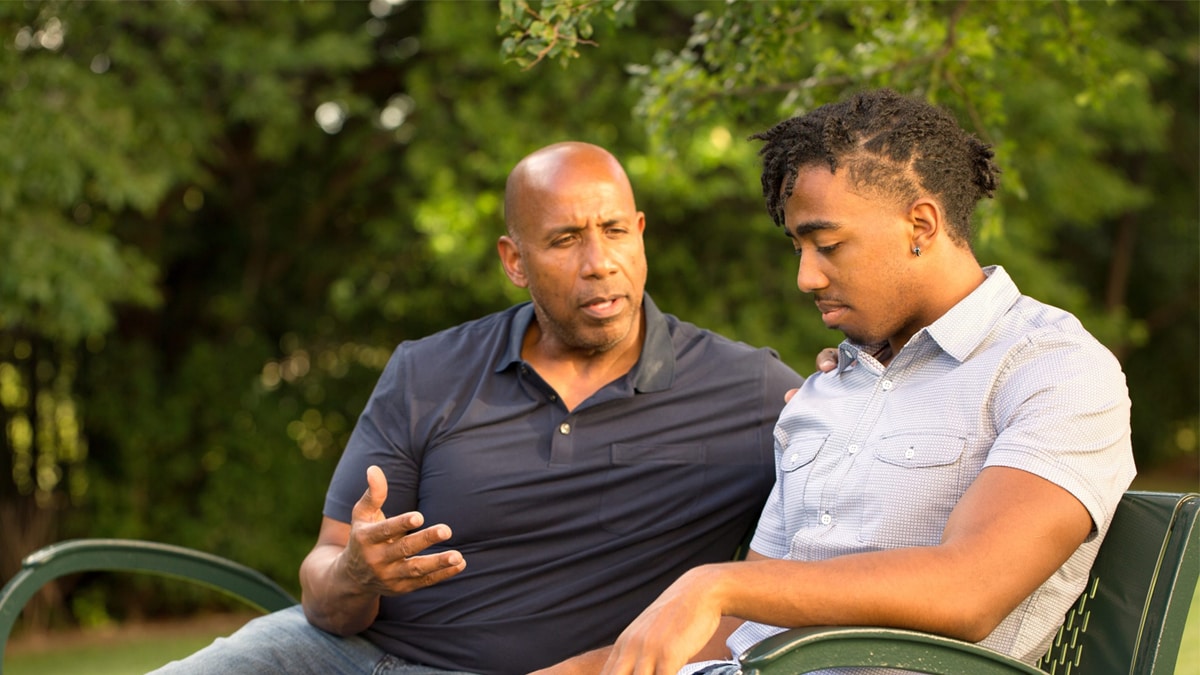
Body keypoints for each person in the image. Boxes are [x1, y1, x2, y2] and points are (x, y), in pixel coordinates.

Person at [150, 141, 805, 675]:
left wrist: (846, 384)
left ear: (640, 234)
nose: (598, 262)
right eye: (565, 239)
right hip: (346, 656)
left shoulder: (749, 390)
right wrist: (357, 570)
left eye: (612, 231)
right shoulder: (427, 371)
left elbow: (851, 510)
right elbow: (322, 583)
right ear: (514, 259)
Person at [546, 89, 1136, 675]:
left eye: (827, 245)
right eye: (798, 247)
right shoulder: (830, 389)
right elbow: (751, 625)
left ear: (922, 225)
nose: (805, 276)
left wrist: (713, 584)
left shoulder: (1051, 370)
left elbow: (970, 590)